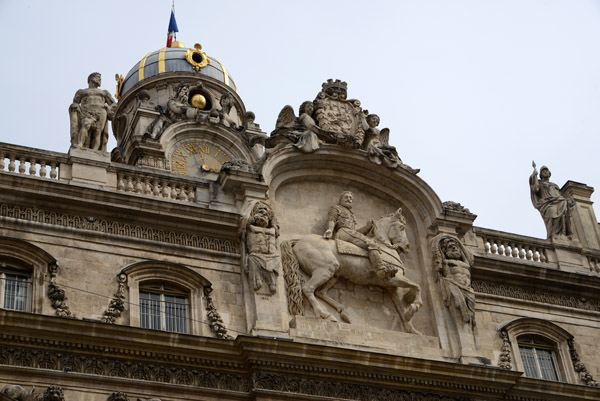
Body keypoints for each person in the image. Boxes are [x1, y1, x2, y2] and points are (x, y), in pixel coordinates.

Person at [323, 191, 390, 278]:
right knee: (371, 243)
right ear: (341, 199)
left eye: (350, 198)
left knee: (370, 242)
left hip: (350, 233)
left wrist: (367, 227)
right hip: (343, 232)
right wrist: (330, 230)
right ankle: (380, 268)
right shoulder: (336, 208)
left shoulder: (352, 215)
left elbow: (355, 232)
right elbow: (331, 220)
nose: (349, 199)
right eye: (346, 197)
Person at [69, 73, 116, 151]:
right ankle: (80, 144)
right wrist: (75, 107)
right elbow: (75, 103)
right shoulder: (82, 92)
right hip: (87, 112)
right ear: (91, 79)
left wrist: (109, 107)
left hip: (101, 112)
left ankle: (95, 150)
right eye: (98, 78)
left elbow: (114, 104)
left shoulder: (104, 92)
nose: (100, 80)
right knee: (86, 125)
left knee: (98, 132)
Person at [529, 165, 574, 239]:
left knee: (564, 216)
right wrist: (534, 176)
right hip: (548, 203)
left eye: (546, 170)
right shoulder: (540, 184)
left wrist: (568, 200)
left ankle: (563, 234)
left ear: (549, 173)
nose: (545, 172)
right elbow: (535, 189)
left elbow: (561, 195)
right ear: (541, 175)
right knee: (552, 213)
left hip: (560, 201)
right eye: (543, 171)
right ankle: (553, 235)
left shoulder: (554, 185)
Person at [244, 202, 280, 294]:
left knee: (273, 288)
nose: (263, 213)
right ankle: (258, 279)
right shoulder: (250, 227)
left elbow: (276, 226)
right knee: (253, 260)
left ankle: (270, 280)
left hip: (272, 256)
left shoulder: (273, 229)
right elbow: (244, 221)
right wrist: (251, 205)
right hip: (256, 255)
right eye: (260, 211)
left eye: (265, 213)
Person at [438, 237, 475, 327]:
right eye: (451, 247)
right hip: (455, 285)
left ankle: (470, 319)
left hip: (467, 289)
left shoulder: (465, 263)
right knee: (459, 305)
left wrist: (458, 242)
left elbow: (469, 258)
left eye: (456, 247)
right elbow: (439, 256)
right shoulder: (446, 262)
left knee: (471, 307)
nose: (454, 248)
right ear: (445, 251)